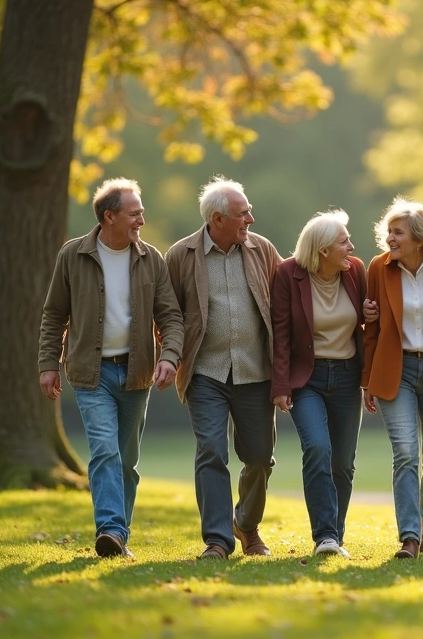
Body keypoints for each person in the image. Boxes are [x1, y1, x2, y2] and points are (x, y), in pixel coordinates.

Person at [38, 177, 184, 558]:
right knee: (104, 451)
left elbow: (170, 315)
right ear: (109, 217)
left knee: (127, 461)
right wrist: (48, 364)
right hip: (91, 374)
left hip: (137, 374)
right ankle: (111, 531)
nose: (142, 220)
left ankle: (119, 533)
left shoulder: (151, 258)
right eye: (135, 213)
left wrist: (169, 356)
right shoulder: (73, 256)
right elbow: (54, 315)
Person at [165, 176, 282, 560]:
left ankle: (246, 525)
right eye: (242, 213)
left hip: (255, 371)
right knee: (211, 451)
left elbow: (285, 301)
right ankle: (218, 539)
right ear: (217, 219)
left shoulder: (262, 249)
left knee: (260, 458)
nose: (251, 217)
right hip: (205, 373)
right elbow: (168, 314)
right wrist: (169, 356)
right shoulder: (181, 255)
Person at [361, 197, 423, 560]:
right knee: (404, 453)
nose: (390, 238)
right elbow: (370, 330)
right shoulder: (378, 268)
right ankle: (409, 537)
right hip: (395, 370)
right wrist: (366, 378)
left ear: (419, 238)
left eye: (397, 232)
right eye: (388, 231)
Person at [271, 210, 366, 558]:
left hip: (346, 377)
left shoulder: (354, 270)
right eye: (344, 242)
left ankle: (335, 537)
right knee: (318, 449)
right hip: (306, 379)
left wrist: (368, 379)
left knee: (343, 462)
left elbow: (369, 325)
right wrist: (280, 386)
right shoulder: (288, 274)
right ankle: (324, 536)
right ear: (323, 250)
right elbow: (281, 335)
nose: (351, 247)